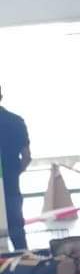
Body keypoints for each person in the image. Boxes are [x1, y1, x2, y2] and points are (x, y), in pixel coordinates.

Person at [0, 85, 31, 252]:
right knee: (17, 231)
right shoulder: (16, 121)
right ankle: (25, 261)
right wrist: (14, 173)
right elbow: (26, 157)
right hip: (11, 185)